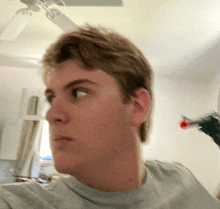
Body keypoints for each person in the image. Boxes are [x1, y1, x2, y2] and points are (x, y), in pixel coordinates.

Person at [0, 25, 220, 209]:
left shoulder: (179, 181)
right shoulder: (16, 202)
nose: (50, 114)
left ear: (136, 107)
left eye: (79, 92)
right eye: (52, 98)